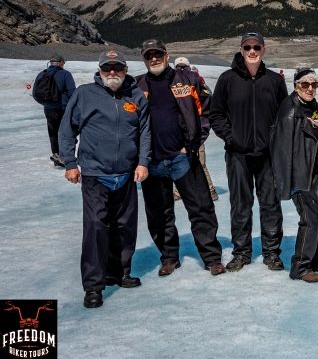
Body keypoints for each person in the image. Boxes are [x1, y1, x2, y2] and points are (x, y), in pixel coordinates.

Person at [58, 50, 150, 309]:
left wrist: (143, 162)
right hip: (95, 174)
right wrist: (70, 163)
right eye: (107, 68)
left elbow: (144, 132)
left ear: (124, 69)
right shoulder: (84, 95)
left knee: (124, 226)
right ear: (99, 70)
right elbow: (67, 130)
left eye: (117, 68)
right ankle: (94, 286)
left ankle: (119, 272)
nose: (112, 72)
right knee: (96, 227)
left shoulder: (135, 96)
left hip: (127, 174)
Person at [135, 40, 226, 278]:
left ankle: (211, 258)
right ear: (144, 59)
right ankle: (169, 257)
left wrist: (194, 143)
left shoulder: (187, 79)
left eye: (158, 54)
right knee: (159, 214)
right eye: (149, 56)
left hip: (183, 158)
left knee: (201, 209)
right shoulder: (137, 85)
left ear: (167, 56)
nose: (154, 59)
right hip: (152, 161)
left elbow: (207, 109)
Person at [209, 32, 288, 272]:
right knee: (240, 205)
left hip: (267, 156)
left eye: (256, 47)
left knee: (270, 205)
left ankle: (272, 252)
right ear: (241, 50)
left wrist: (276, 142)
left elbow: (284, 116)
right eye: (247, 47)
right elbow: (216, 114)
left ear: (263, 50)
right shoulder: (227, 79)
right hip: (238, 156)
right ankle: (241, 252)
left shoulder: (274, 81)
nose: (251, 51)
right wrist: (232, 138)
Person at [271, 69, 318, 283]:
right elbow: (281, 150)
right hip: (301, 177)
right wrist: (291, 182)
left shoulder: (311, 106)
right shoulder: (290, 112)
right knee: (310, 220)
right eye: (305, 84)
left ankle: (316, 259)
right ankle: (300, 267)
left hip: (315, 174)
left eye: (314, 84)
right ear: (295, 86)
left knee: (316, 219)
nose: (310, 88)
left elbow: (315, 131)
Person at [171, 57, 218, 202]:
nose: (181, 70)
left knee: (190, 161)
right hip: (194, 128)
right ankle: (207, 190)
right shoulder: (198, 81)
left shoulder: (180, 82)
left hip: (187, 129)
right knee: (195, 160)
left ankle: (209, 190)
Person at [32, 54, 75, 166]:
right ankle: (65, 157)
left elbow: (35, 94)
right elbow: (72, 93)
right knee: (66, 133)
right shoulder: (65, 74)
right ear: (61, 63)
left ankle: (56, 155)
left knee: (53, 133)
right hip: (63, 109)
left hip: (48, 109)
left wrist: (46, 104)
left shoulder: (41, 74)